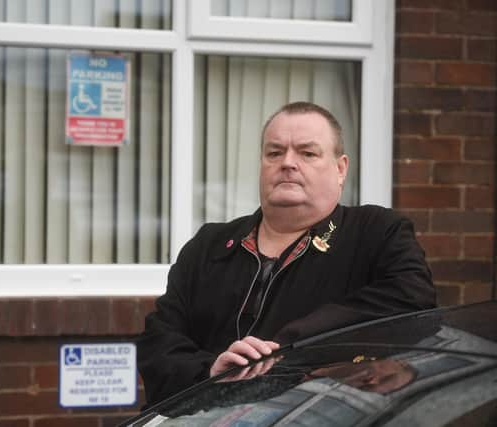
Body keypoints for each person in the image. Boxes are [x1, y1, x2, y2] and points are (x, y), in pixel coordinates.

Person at [137, 101, 436, 406]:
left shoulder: (377, 233)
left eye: (307, 153)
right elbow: (159, 342)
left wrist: (286, 346)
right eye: (274, 152)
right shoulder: (209, 244)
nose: (288, 163)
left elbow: (412, 302)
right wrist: (211, 371)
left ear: (340, 168)